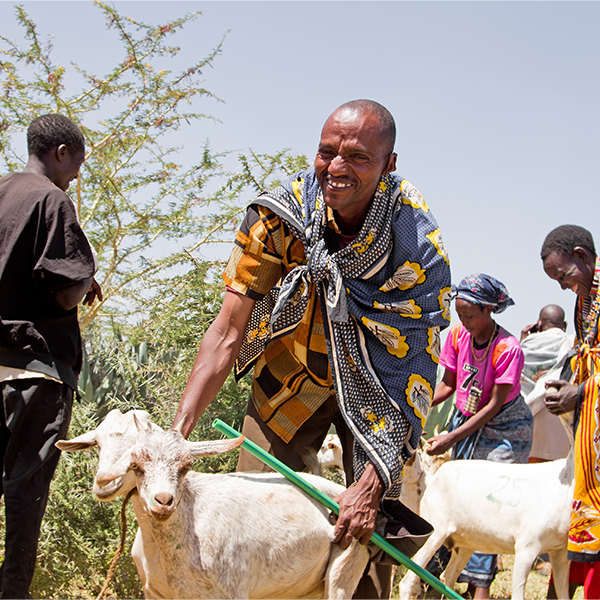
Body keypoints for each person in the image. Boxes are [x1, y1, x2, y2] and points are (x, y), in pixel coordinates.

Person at [173, 99, 451, 599]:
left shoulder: (416, 244)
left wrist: (370, 486)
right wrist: (177, 433)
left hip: (377, 400)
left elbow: (416, 364)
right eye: (327, 152)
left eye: (359, 158)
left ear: (389, 165)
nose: (337, 168)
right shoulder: (279, 216)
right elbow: (227, 331)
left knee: (364, 544)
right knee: (256, 525)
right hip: (288, 379)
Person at [0, 114, 100, 600]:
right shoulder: (52, 199)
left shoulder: (2, 192)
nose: (78, 173)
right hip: (33, 376)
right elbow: (64, 292)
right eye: (78, 161)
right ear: (61, 151)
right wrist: (87, 273)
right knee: (23, 500)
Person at [425, 273, 533, 600]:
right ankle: (444, 579)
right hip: (467, 420)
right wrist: (417, 403)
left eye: (470, 316)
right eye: (459, 316)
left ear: (489, 311)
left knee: (490, 504)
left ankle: (480, 587)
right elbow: (447, 383)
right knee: (464, 502)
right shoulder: (457, 336)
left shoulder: (507, 348)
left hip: (505, 430)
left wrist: (450, 439)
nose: (463, 322)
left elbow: (494, 406)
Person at [541, 224, 600, 600]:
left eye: (563, 276)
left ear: (582, 255)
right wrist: (570, 386)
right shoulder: (584, 298)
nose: (563, 286)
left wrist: (582, 391)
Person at [520, 305, 572, 463]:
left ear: (539, 324)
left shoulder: (525, 345)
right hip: (556, 414)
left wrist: (523, 338)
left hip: (526, 417)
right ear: (565, 325)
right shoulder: (570, 343)